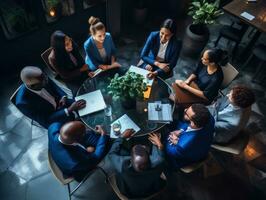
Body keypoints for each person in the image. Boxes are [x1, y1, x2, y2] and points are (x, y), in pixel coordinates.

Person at [15, 66, 86, 128]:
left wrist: (63, 97)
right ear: (33, 86)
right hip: (52, 118)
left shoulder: (41, 77)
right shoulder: (23, 103)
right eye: (44, 81)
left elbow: (54, 86)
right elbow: (46, 120)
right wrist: (69, 109)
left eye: (45, 76)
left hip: (60, 102)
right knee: (75, 131)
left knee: (84, 103)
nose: (47, 80)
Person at [149, 104, 214, 169]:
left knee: (157, 144)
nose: (185, 110)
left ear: (192, 123)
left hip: (176, 158)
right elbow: (188, 125)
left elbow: (168, 152)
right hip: (199, 143)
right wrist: (181, 130)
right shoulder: (209, 118)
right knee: (171, 120)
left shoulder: (182, 146)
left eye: (186, 114)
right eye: (188, 108)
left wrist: (160, 144)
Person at [108, 130, 165, 198]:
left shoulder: (122, 166)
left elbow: (111, 154)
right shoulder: (158, 161)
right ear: (149, 157)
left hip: (129, 193)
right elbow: (160, 155)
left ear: (130, 159)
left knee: (123, 151)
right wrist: (159, 145)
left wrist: (121, 137)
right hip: (151, 189)